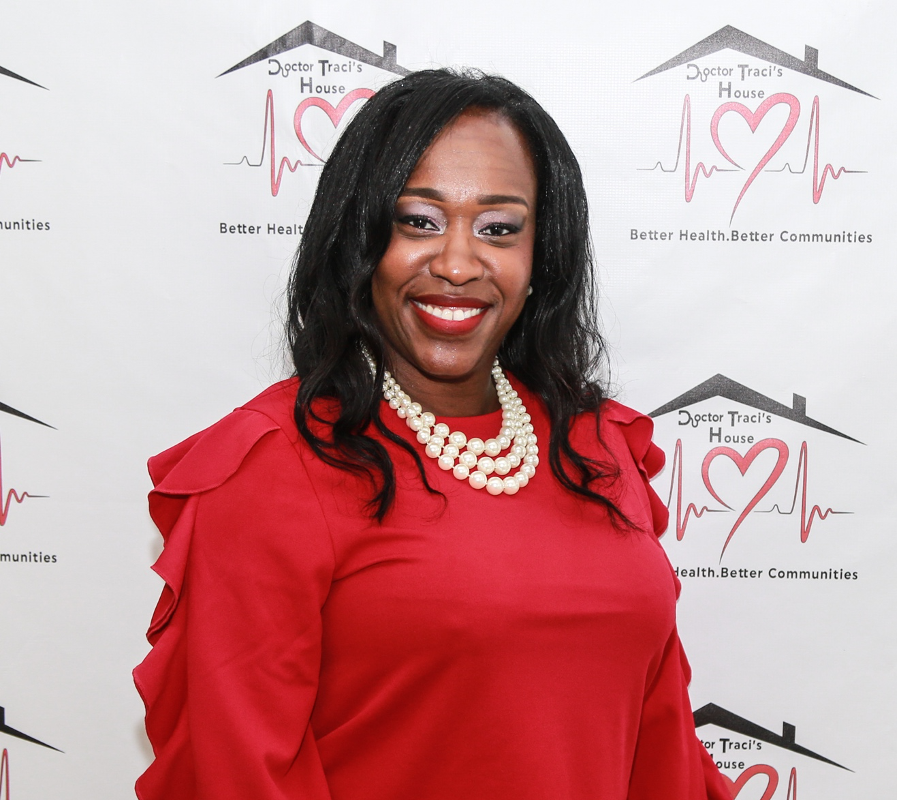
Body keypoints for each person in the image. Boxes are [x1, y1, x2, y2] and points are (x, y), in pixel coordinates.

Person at [134, 69, 731, 800]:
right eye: (418, 220)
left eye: (499, 229)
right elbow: (235, 773)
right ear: (359, 240)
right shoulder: (274, 465)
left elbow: (660, 735)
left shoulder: (597, 447)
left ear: (540, 257)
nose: (455, 263)